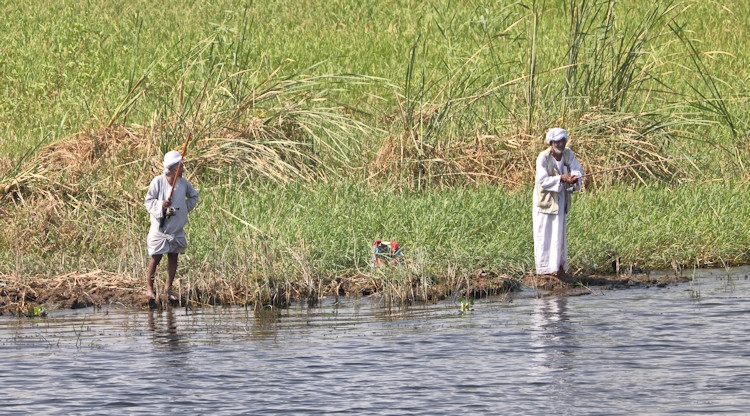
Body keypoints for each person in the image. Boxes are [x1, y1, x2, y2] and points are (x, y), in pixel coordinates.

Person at [144, 150, 199, 300]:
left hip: (177, 229)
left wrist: (184, 208)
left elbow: (194, 196)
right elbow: (148, 201)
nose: (183, 168)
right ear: (173, 168)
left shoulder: (184, 183)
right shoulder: (158, 182)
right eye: (181, 165)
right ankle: (149, 288)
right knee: (155, 258)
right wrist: (161, 205)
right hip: (160, 229)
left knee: (173, 257)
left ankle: (168, 289)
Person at [532, 128, 583, 279]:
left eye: (563, 141)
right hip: (545, 203)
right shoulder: (543, 157)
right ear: (551, 143)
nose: (560, 144)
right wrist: (561, 178)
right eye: (557, 141)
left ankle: (559, 268)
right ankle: (544, 271)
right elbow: (543, 180)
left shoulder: (568, 154)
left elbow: (577, 169)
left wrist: (574, 177)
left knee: (559, 235)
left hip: (560, 199)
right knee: (544, 235)